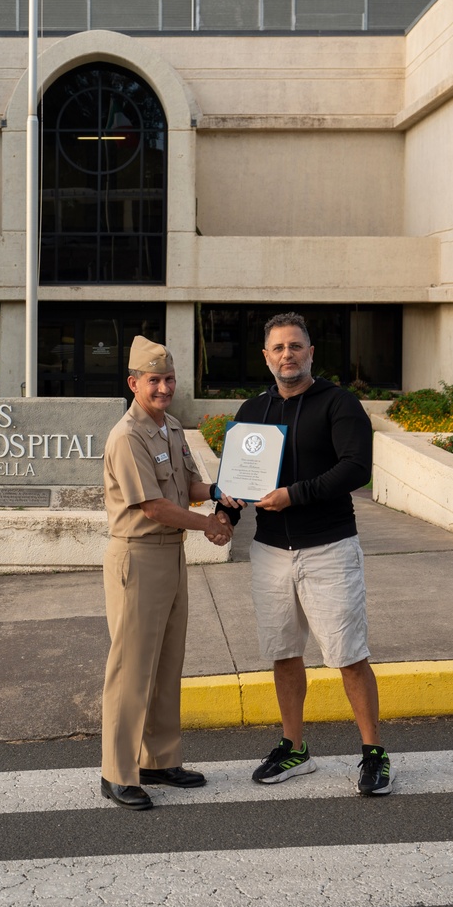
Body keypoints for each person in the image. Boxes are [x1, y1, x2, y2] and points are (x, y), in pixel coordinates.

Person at [215, 313, 392, 796]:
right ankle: (295, 748)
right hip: (270, 552)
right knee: (284, 653)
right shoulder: (253, 410)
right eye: (278, 348)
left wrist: (294, 495)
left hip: (328, 549)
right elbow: (237, 479)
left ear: (311, 353)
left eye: (295, 346)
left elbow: (356, 468)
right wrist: (224, 518)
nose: (287, 355)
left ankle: (374, 753)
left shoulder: (339, 403)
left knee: (348, 655)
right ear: (266, 357)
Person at [100, 335, 231, 810]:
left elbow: (187, 484)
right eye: (154, 380)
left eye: (170, 379)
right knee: (131, 669)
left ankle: (158, 760)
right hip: (138, 557)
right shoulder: (127, 435)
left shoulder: (171, 427)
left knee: (166, 663)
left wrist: (217, 491)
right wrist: (209, 525)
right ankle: (117, 773)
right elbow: (153, 506)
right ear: (133, 383)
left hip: (171, 556)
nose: (164, 388)